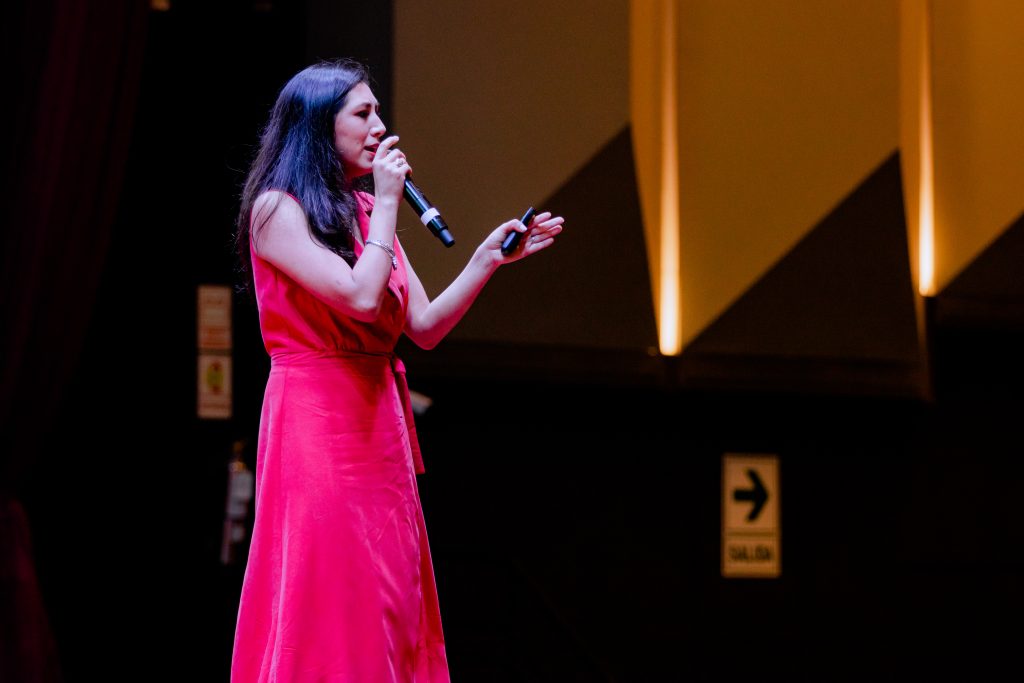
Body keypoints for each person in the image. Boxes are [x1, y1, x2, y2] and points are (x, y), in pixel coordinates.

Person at [229, 58, 564, 682]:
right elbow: (360, 298)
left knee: (389, 592)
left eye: (378, 112)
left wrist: (486, 260)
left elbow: (425, 327)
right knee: (332, 588)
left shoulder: (365, 212)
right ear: (319, 126)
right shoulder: (276, 210)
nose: (380, 127)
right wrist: (385, 203)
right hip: (317, 420)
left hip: (378, 426)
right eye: (363, 113)